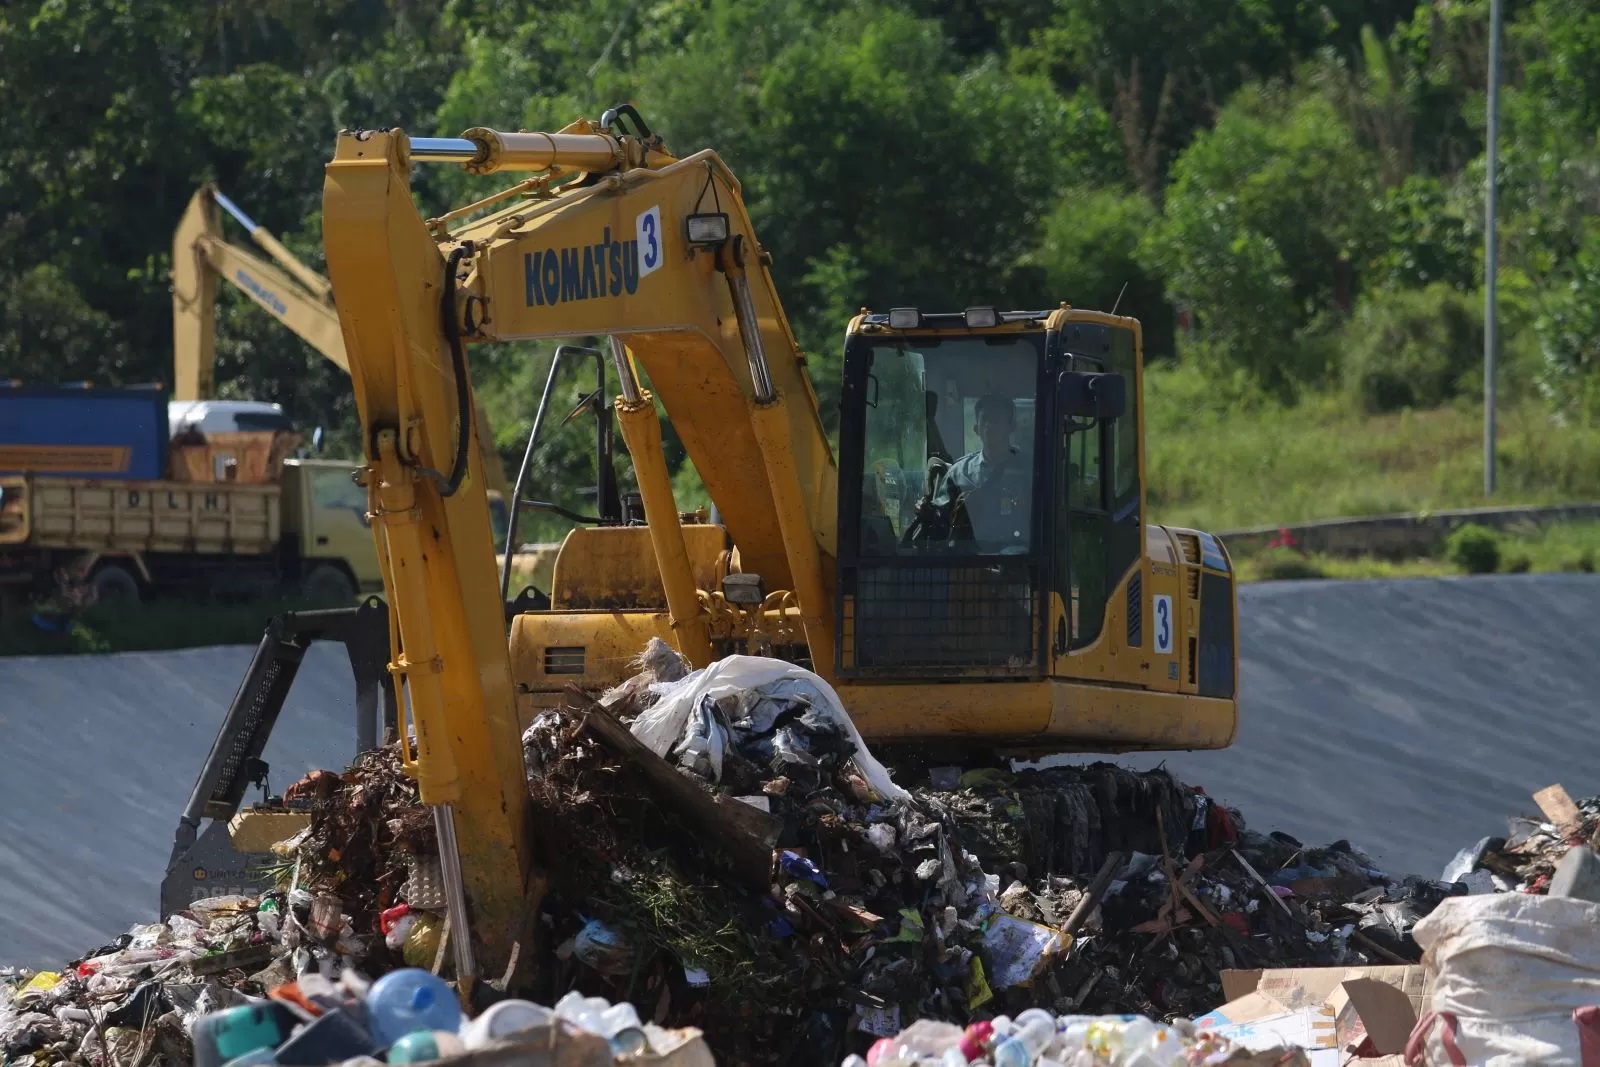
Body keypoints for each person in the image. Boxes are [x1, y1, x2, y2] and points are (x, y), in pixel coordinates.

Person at [930, 393, 1029, 549]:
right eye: (985, 419)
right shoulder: (959, 473)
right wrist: (957, 512)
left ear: (1011, 426)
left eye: (996, 420)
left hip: (1018, 562)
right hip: (971, 564)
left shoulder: (1030, 471)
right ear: (976, 428)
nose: (989, 425)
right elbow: (939, 524)